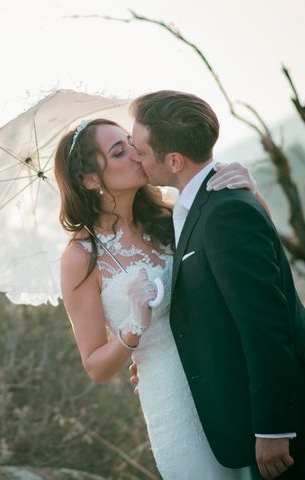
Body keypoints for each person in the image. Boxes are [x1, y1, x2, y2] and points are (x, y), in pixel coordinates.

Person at [55, 116, 272, 479]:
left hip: (228, 381)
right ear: (90, 179)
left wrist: (251, 194)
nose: (136, 153)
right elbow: (96, 366)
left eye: (130, 142)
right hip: (172, 406)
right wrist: (133, 329)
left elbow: (249, 263)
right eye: (119, 151)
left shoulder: (172, 216)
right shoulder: (81, 258)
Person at [127, 90, 305, 479]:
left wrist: (274, 428)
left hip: (279, 434)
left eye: (138, 147)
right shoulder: (196, 206)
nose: (133, 153)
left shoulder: (225, 211)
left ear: (173, 160)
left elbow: (265, 325)